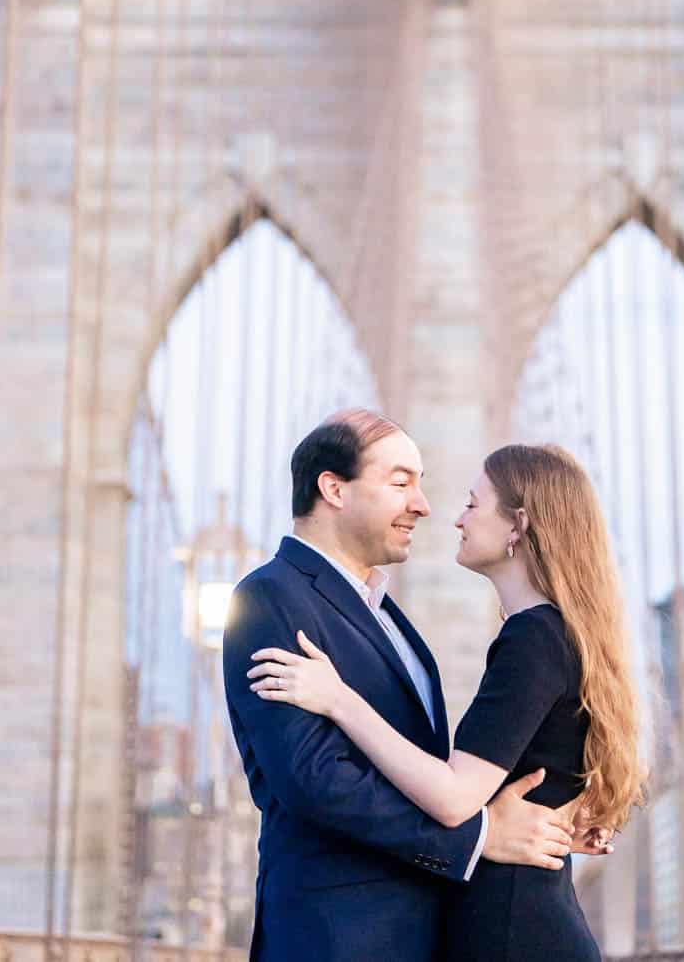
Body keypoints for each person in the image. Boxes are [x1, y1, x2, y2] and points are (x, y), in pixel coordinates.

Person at [223, 412, 603, 962]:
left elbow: (430, 776)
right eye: (401, 483)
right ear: (333, 488)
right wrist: (478, 837)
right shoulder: (270, 599)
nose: (424, 505)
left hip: (429, 933)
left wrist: (552, 816)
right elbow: (314, 779)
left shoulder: (397, 624)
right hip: (339, 940)